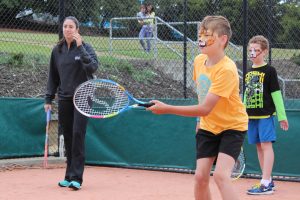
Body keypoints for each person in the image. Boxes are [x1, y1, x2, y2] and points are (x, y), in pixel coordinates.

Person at [147, 15, 248, 200]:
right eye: (200, 34)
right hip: (208, 127)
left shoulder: (227, 69)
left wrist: (167, 108)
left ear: (223, 39)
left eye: (207, 34)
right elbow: (202, 94)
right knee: (201, 177)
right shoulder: (199, 61)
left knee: (220, 176)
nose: (201, 38)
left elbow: (205, 107)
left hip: (232, 126)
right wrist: (199, 121)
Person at [44, 16, 99, 190]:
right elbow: (53, 76)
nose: (67, 29)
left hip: (84, 97)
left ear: (77, 29)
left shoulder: (86, 47)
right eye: (65, 26)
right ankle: (68, 175)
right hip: (65, 98)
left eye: (71, 26)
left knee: (77, 134)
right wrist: (48, 98)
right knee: (67, 135)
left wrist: (81, 47)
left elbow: (92, 67)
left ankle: (77, 177)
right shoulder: (57, 50)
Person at [244, 35, 289, 195]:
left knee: (266, 146)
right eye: (250, 50)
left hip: (265, 116)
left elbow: (276, 94)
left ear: (264, 52)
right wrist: (243, 113)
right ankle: (267, 179)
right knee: (258, 146)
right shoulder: (248, 71)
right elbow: (247, 94)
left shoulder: (270, 71)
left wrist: (282, 116)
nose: (253, 53)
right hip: (251, 117)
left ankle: (265, 183)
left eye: (256, 50)